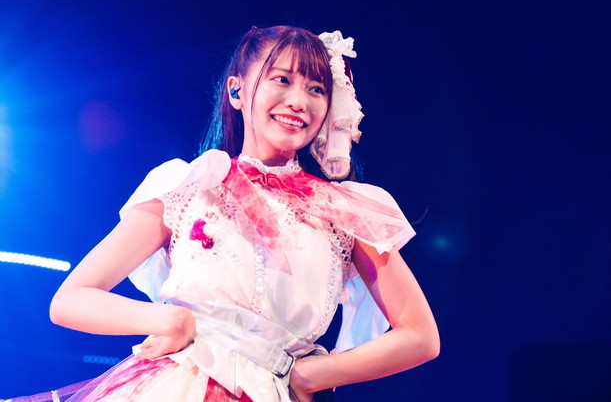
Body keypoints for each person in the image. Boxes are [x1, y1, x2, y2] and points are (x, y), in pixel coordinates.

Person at [6, 25, 439, 402]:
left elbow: (420, 335)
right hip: (179, 385)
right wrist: (170, 319)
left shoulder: (343, 211)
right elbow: (71, 299)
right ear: (236, 91)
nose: (298, 101)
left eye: (316, 89)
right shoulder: (192, 184)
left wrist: (318, 373)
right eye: (282, 80)